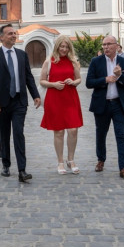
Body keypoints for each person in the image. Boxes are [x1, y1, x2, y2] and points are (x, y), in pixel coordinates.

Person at [0, 24, 41, 183]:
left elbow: (28, 77)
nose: (13, 35)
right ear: (1, 37)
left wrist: (35, 95)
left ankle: (22, 170)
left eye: (14, 33)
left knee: (18, 133)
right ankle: (6, 163)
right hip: (1, 103)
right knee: (4, 134)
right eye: (10, 33)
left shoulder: (22, 55)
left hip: (19, 101)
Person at [85, 35, 124, 180]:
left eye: (109, 44)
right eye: (104, 45)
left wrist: (120, 76)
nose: (106, 47)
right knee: (101, 134)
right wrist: (105, 79)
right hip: (102, 104)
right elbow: (89, 82)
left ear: (116, 46)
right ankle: (101, 159)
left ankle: (123, 167)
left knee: (121, 136)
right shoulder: (96, 61)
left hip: (119, 104)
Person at [39, 35, 83, 175]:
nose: (64, 49)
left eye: (66, 47)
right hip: (55, 98)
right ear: (57, 46)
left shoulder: (73, 61)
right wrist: (53, 84)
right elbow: (41, 81)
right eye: (62, 46)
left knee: (73, 130)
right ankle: (60, 162)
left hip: (70, 97)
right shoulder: (49, 61)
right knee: (58, 132)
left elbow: (79, 79)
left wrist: (73, 82)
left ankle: (71, 160)